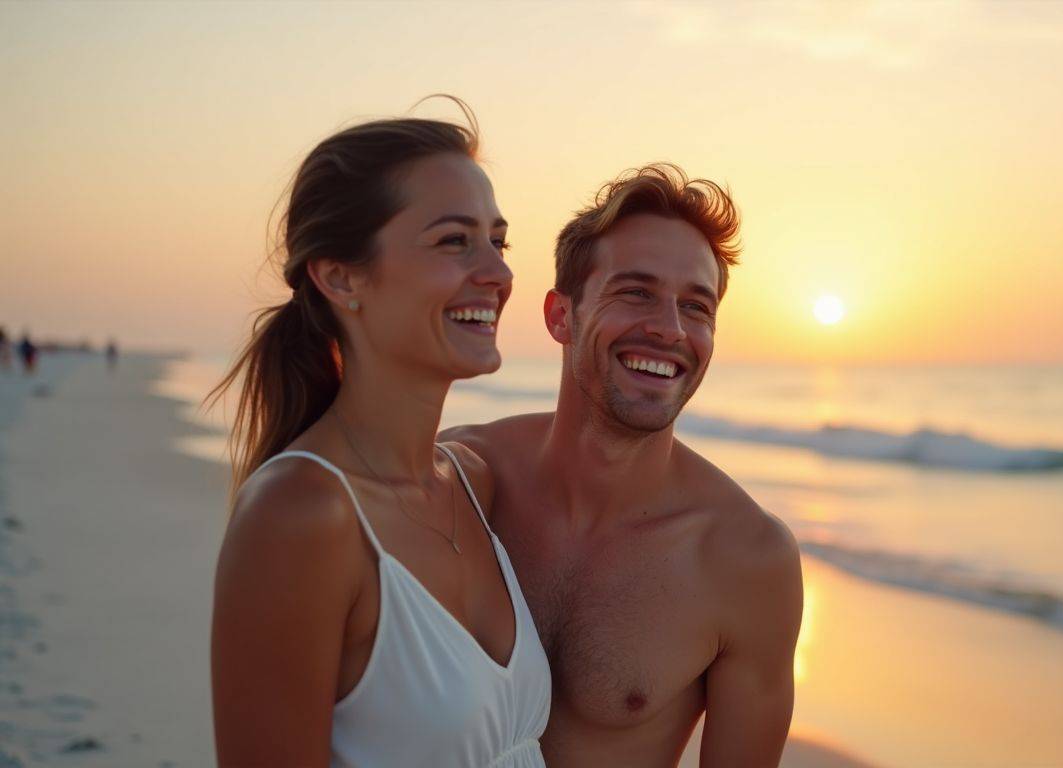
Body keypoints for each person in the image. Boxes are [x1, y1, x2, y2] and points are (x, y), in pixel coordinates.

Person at [209, 101, 550, 767]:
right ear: (341, 277)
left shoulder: (471, 482)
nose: (500, 274)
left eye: (498, 241)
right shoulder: (302, 515)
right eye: (455, 241)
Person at [442, 164, 803, 767]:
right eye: (636, 292)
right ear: (561, 316)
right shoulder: (458, 483)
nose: (669, 329)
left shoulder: (745, 559)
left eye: (697, 307)